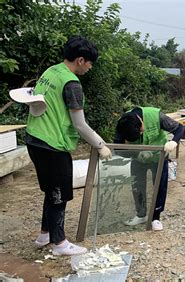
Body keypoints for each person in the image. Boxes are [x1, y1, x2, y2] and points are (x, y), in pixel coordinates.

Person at [19, 36, 112, 256]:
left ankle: (44, 235)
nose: (90, 67)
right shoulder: (71, 83)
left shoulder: (51, 72)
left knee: (51, 189)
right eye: (90, 63)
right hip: (52, 144)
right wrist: (100, 145)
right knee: (59, 194)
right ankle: (59, 243)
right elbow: (79, 125)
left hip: (34, 138)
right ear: (80, 60)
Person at [114, 107, 185, 231]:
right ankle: (141, 214)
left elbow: (180, 128)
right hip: (138, 159)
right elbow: (118, 149)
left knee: (159, 186)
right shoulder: (122, 125)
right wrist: (136, 154)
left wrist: (174, 142)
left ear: (141, 121)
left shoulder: (156, 116)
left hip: (159, 157)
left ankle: (155, 217)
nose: (142, 134)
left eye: (141, 132)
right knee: (137, 185)